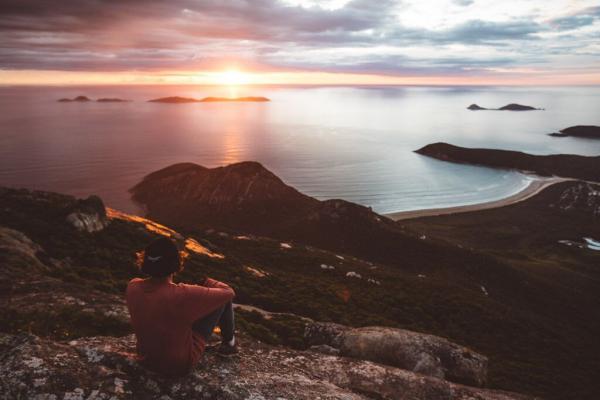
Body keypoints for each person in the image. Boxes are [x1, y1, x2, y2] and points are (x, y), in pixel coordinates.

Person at [126, 236, 237, 376]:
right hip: (179, 365)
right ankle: (229, 344)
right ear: (175, 263)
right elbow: (228, 293)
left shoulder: (133, 286)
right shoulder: (181, 294)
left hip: (146, 359)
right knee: (222, 300)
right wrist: (208, 282)